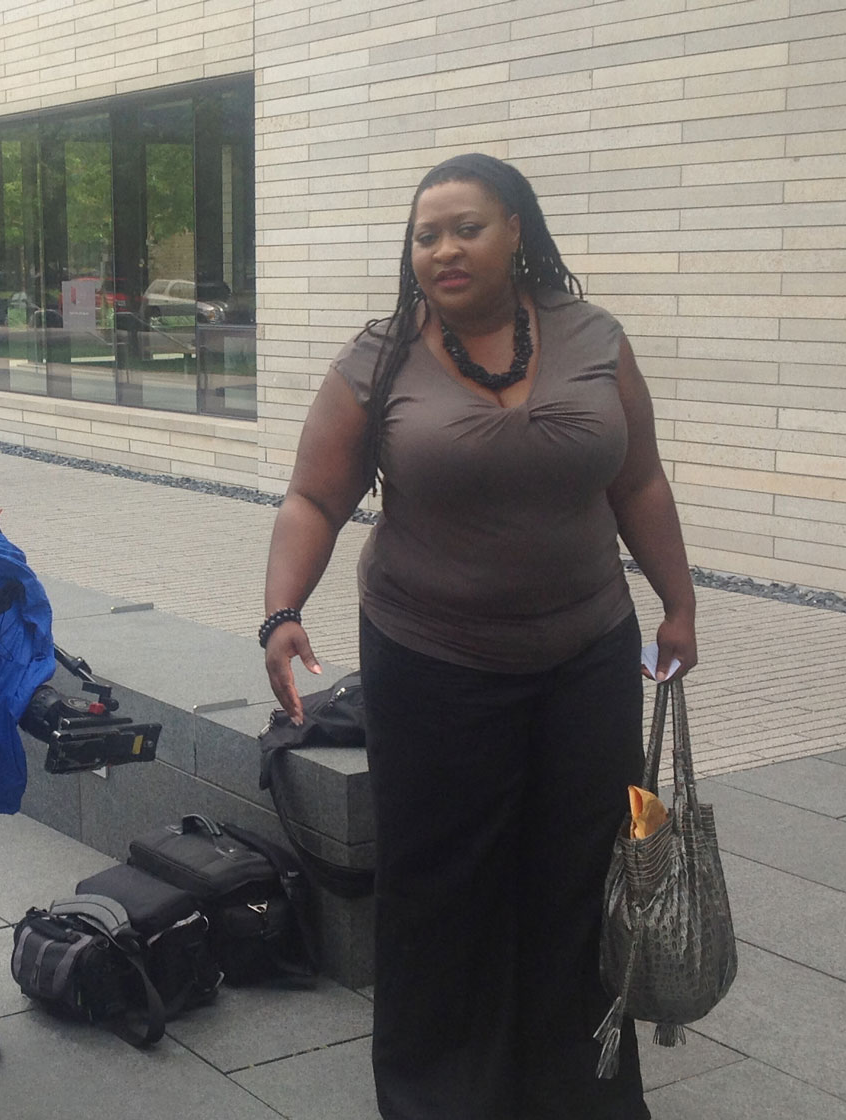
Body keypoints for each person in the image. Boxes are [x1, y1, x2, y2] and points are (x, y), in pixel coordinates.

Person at [262, 153, 697, 1120]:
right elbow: (313, 498)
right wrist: (282, 613)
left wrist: (679, 602)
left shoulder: (593, 337)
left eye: (467, 228)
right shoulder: (380, 358)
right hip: (432, 663)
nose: (444, 250)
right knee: (440, 890)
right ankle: (440, 1097)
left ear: (517, 232)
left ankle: (578, 1092)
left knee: (581, 878)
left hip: (587, 655)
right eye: (426, 235)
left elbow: (639, 481)